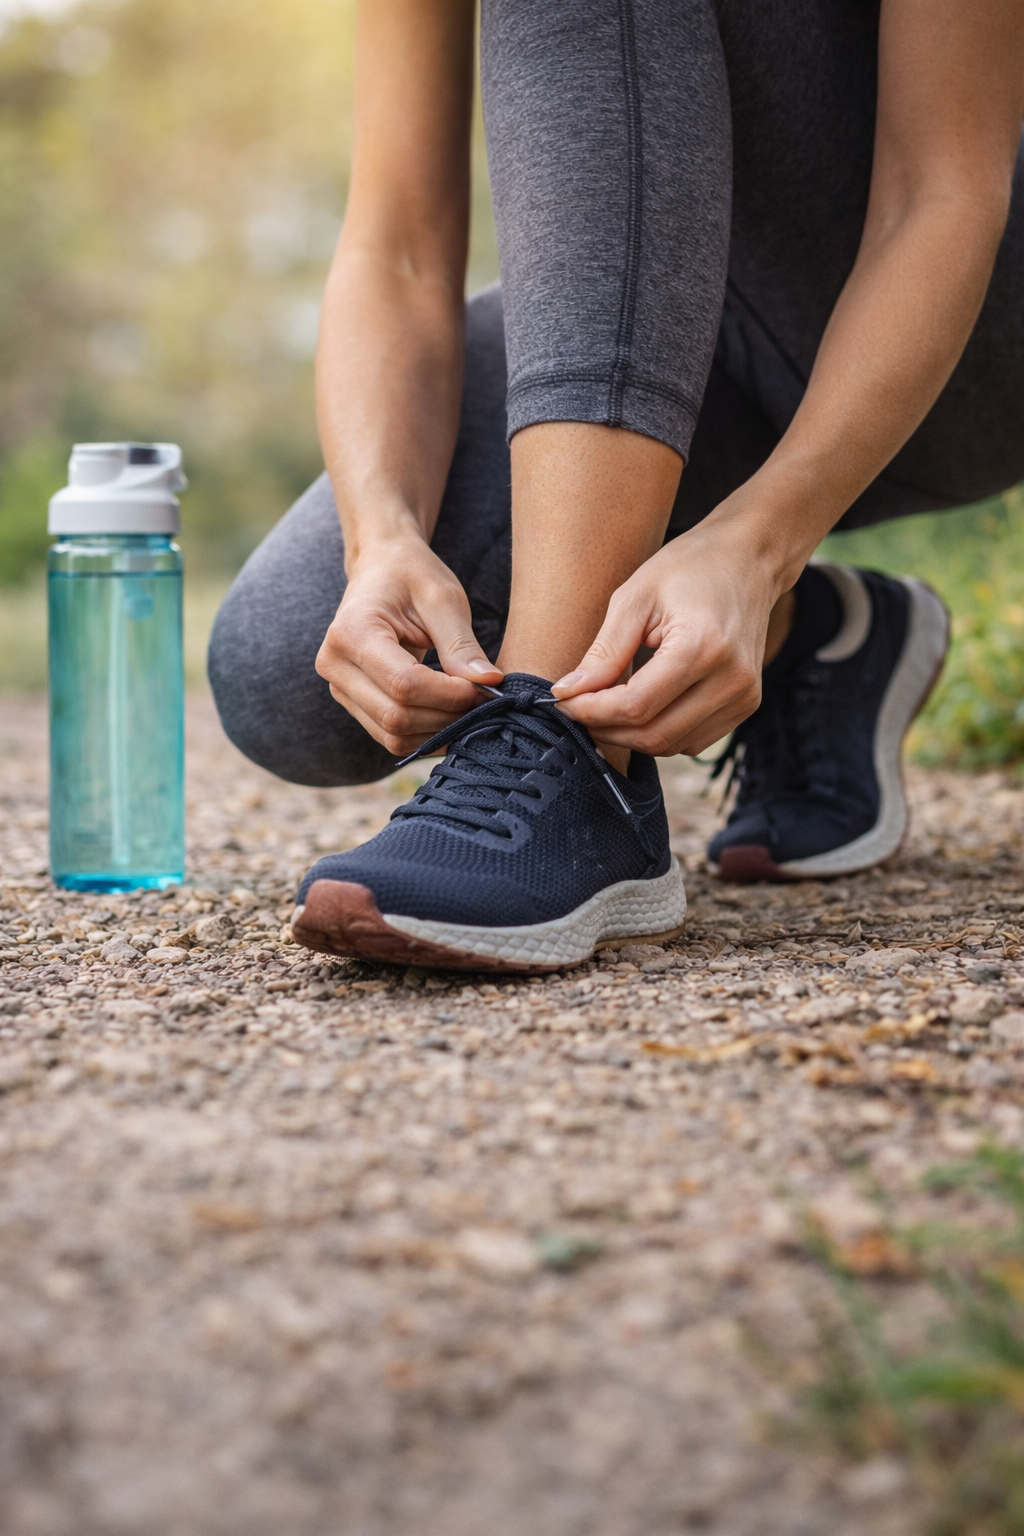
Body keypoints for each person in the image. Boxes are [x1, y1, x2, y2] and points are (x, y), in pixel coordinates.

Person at [209, 0, 1024, 971]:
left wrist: (760, 545)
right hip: (665, 306)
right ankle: (816, 637)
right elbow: (398, 244)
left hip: (974, 322)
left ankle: (566, 752)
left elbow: (941, 188)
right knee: (289, 670)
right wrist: (379, 536)